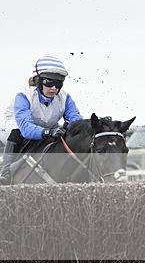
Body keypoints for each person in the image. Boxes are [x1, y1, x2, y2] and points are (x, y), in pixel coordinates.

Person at [0, 56, 83, 185]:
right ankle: (5, 173)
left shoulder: (65, 97)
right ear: (38, 81)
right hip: (15, 127)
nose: (54, 88)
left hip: (46, 126)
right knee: (17, 131)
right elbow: (26, 129)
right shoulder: (24, 95)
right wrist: (47, 132)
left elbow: (76, 121)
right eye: (49, 83)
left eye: (58, 84)